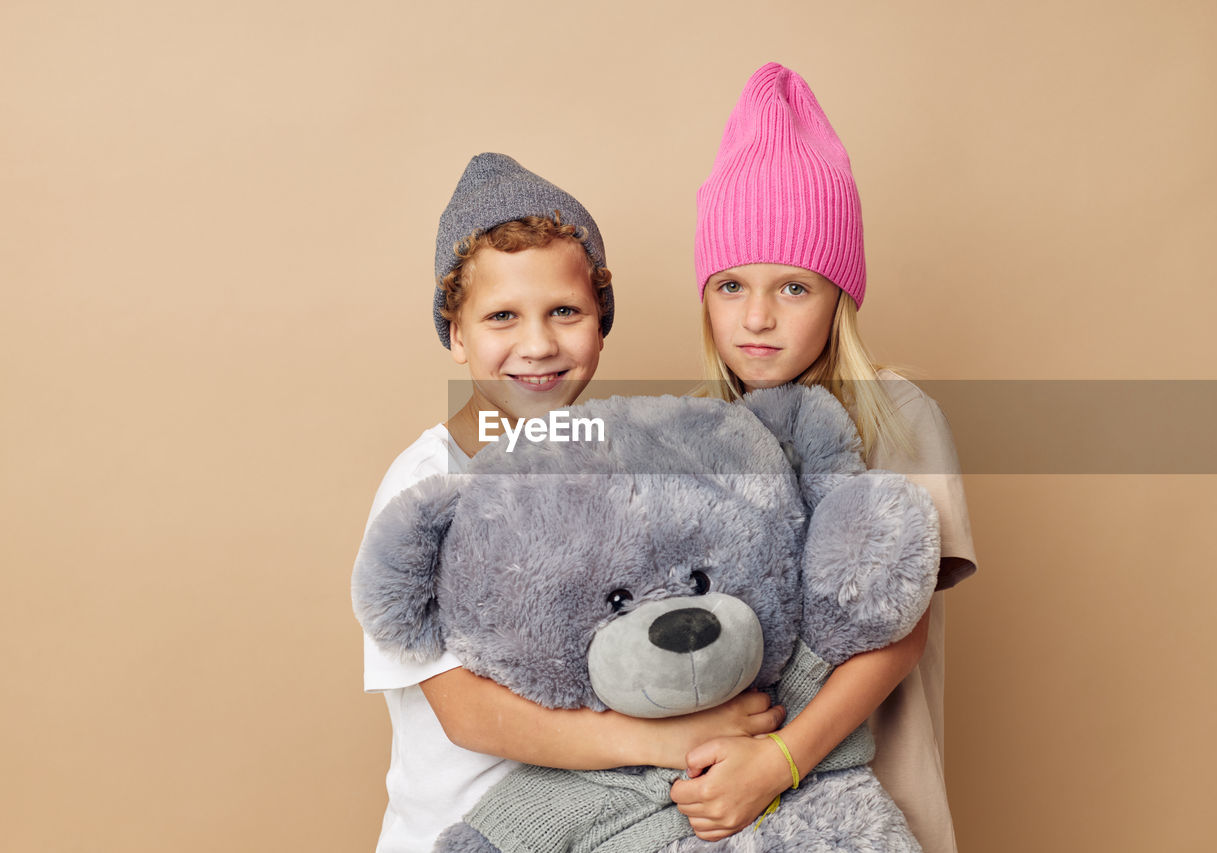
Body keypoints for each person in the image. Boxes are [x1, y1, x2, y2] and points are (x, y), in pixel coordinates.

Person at [356, 152, 784, 852]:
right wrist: (660, 740)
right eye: (502, 316)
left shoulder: (619, 460)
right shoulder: (425, 485)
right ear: (457, 332)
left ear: (602, 321)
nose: (537, 343)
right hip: (456, 836)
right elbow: (466, 714)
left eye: (565, 311)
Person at [669, 62, 979, 853]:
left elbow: (897, 632)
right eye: (731, 285)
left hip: (873, 804)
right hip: (734, 819)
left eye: (795, 287)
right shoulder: (697, 434)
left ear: (840, 294)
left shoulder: (896, 415)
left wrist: (777, 762)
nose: (759, 318)